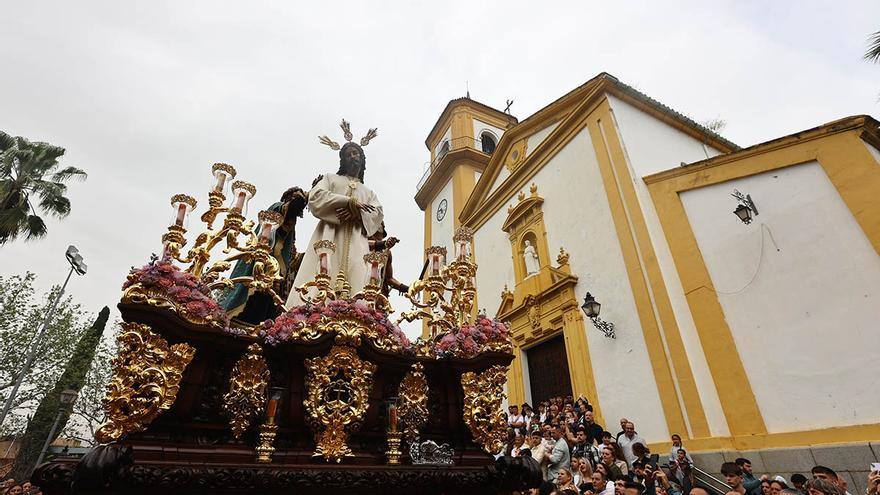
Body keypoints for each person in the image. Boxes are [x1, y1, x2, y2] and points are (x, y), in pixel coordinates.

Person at [286, 138, 384, 307]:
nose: (353, 157)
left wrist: (357, 215)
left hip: (356, 240)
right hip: (329, 235)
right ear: (343, 160)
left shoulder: (368, 192)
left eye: (356, 153)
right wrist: (347, 202)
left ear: (362, 158)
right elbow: (316, 196)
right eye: (348, 154)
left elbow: (377, 212)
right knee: (320, 279)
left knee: (358, 280)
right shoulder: (331, 179)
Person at [222, 185, 308, 323]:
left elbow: (291, 257)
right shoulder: (276, 209)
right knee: (254, 296)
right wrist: (308, 196)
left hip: (277, 274)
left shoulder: (291, 229)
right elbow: (293, 206)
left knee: (267, 307)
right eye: (292, 197)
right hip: (262, 263)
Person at [367, 222, 408, 296]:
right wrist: (384, 244)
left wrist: (406, 288)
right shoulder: (363, 243)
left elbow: (389, 278)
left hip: (380, 290)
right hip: (363, 284)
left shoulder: (387, 252)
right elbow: (367, 244)